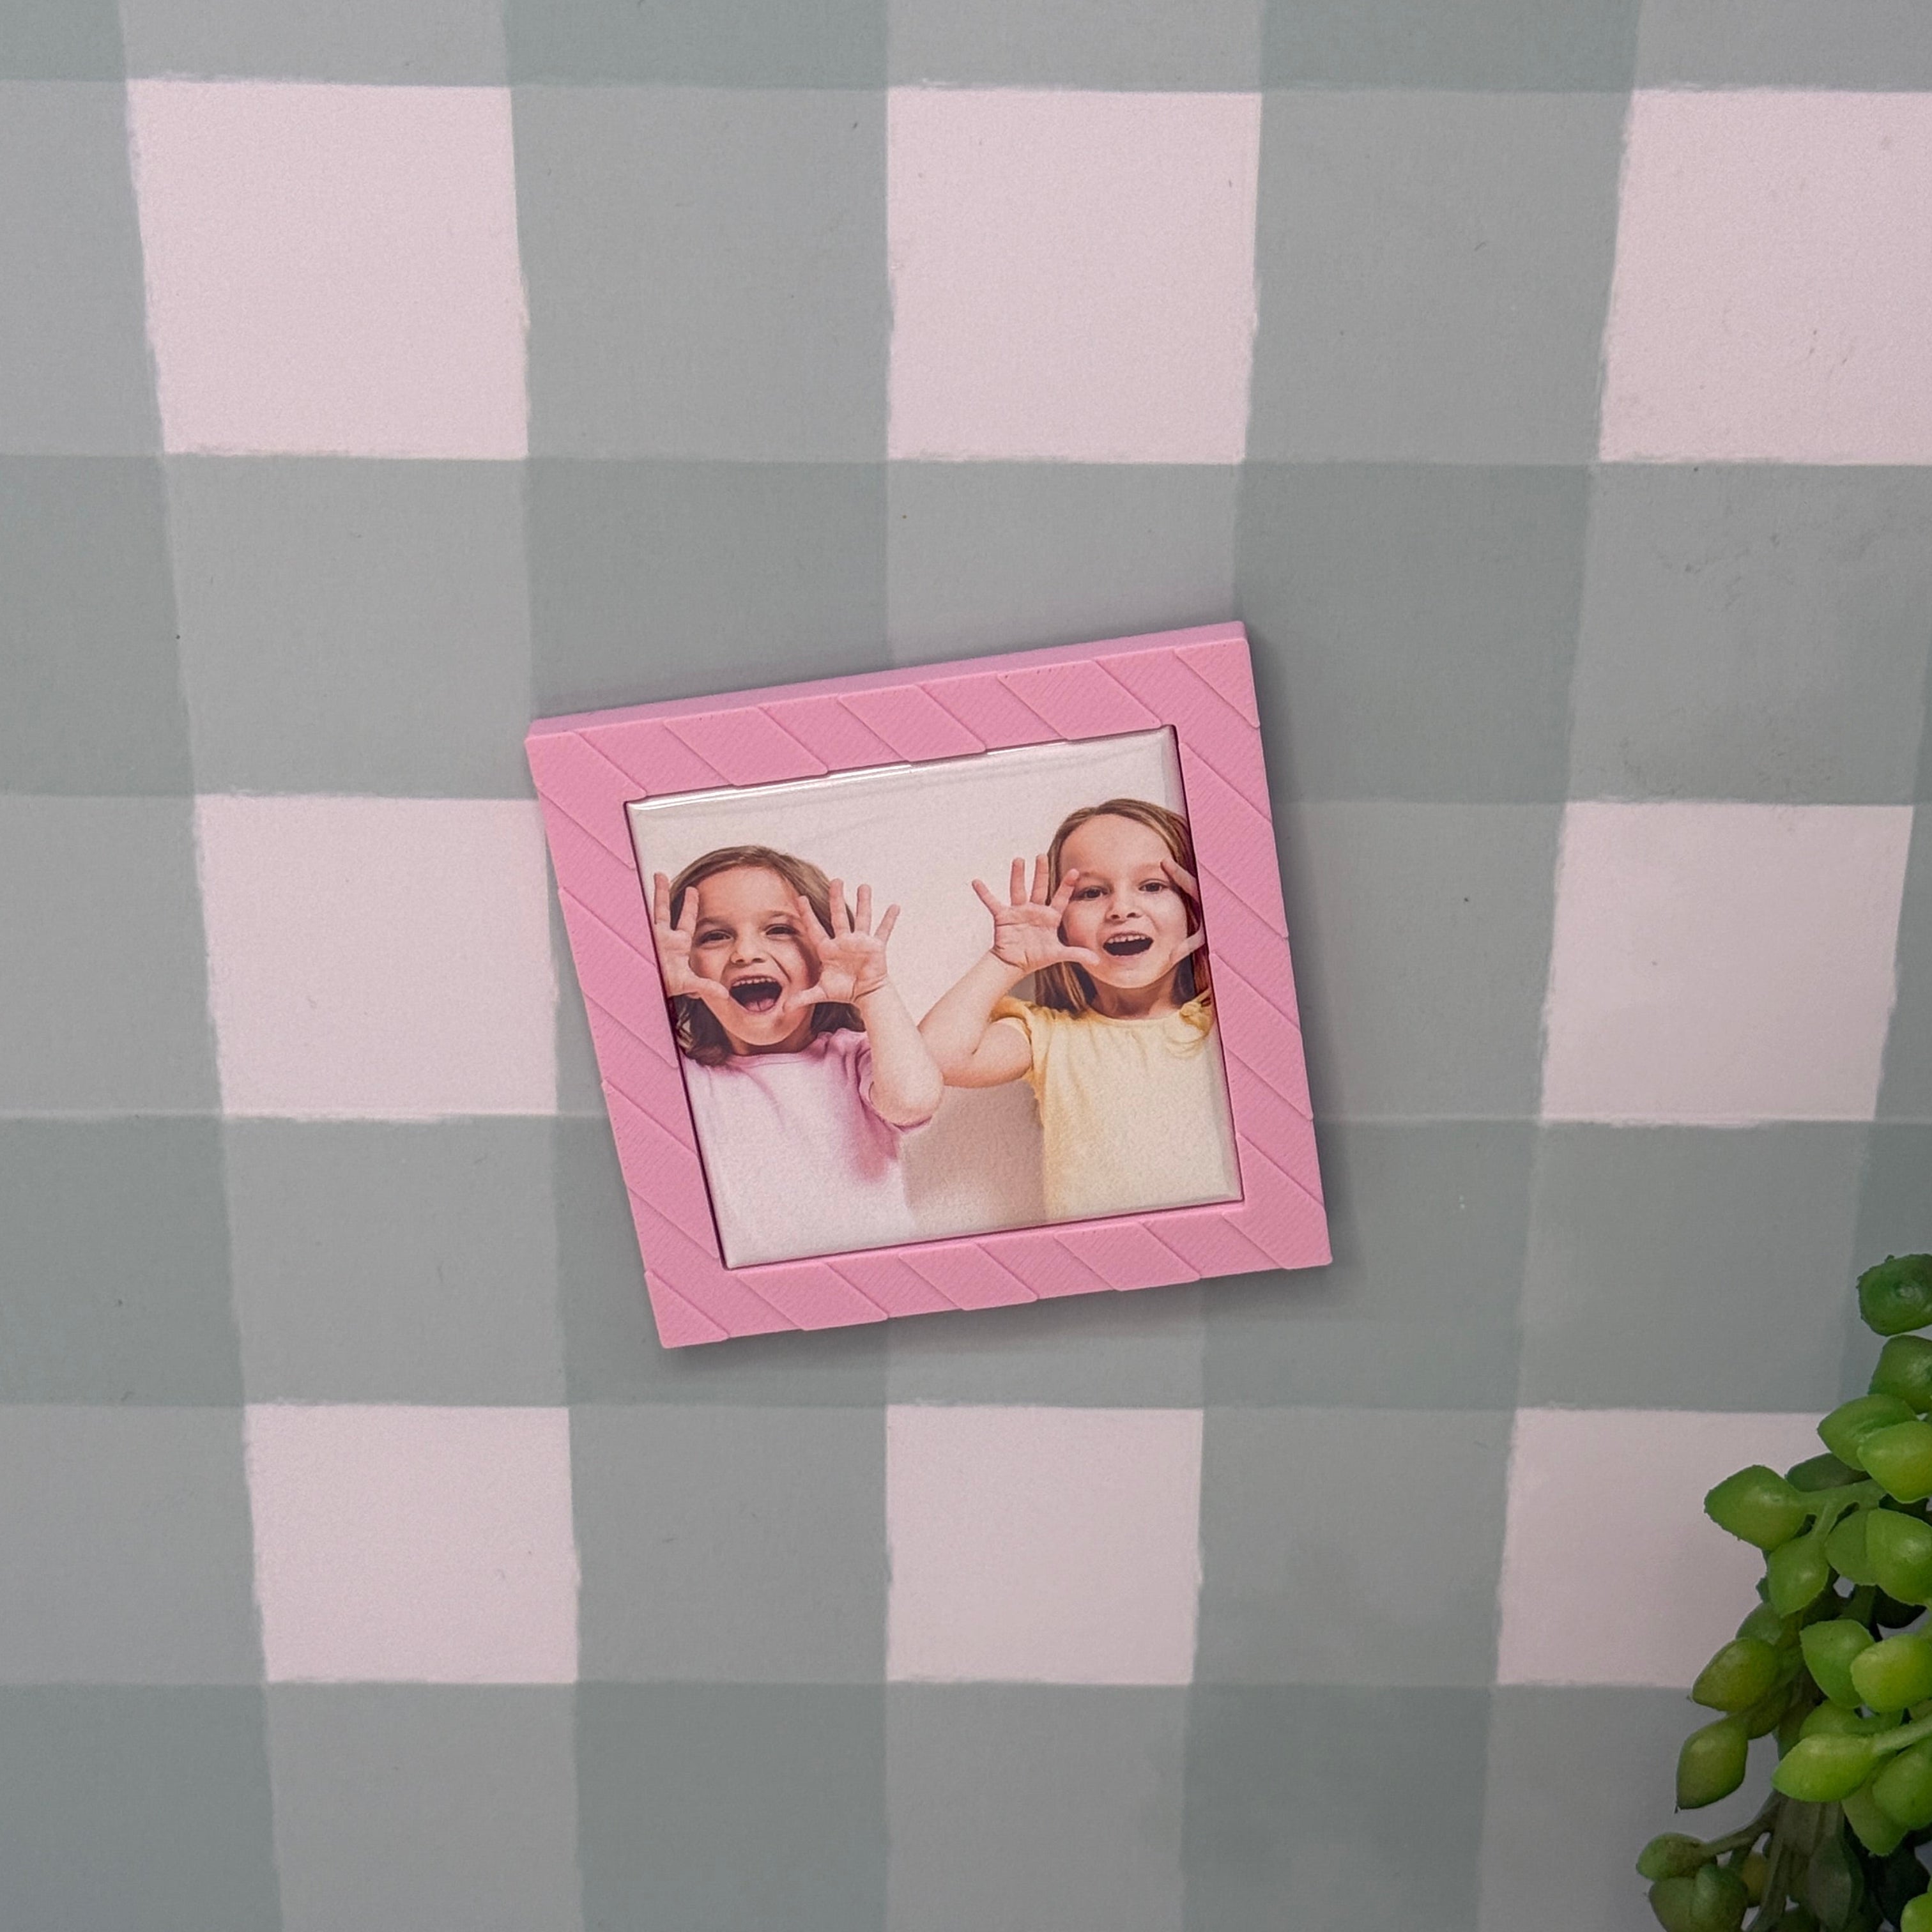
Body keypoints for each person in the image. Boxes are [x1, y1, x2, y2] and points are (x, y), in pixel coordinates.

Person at [919, 799, 1239, 1225]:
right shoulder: (1050, 1036)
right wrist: (1005, 960)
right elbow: (934, 1059)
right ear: (1061, 921)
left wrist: (1235, 925)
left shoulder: (1226, 1021)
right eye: (1092, 892)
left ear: (1192, 907)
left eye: (1153, 886)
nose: (1122, 909)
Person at [651, 845, 942, 1266]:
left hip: (878, 1284)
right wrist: (644, 984)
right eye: (715, 936)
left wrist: (873, 989)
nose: (745, 953)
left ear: (825, 954)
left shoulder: (853, 1057)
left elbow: (914, 1099)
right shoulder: (686, 1080)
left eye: (779, 930)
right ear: (688, 968)